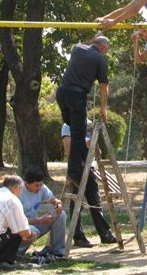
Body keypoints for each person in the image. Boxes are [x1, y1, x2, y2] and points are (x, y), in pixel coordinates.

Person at [56, 35, 110, 183]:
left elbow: (83, 43)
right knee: (78, 134)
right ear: (103, 48)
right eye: (106, 50)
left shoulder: (78, 49)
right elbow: (104, 87)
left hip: (61, 93)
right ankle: (74, 173)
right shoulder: (100, 59)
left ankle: (83, 157)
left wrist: (93, 38)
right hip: (77, 96)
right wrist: (103, 108)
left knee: (73, 127)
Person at [61, 122, 118, 247]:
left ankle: (105, 234)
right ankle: (78, 237)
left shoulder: (89, 125)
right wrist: (84, 145)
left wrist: (95, 149)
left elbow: (95, 149)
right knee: (77, 204)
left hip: (90, 168)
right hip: (77, 169)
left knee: (96, 203)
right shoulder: (68, 126)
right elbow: (67, 150)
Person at [17, 167, 66, 260]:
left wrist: (58, 204)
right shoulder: (18, 192)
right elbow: (18, 221)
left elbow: (54, 199)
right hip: (21, 227)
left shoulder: (42, 188)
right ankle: (17, 253)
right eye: (36, 185)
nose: (39, 188)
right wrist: (41, 220)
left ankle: (57, 252)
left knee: (61, 214)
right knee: (31, 230)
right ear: (27, 183)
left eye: (41, 185)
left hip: (34, 223)